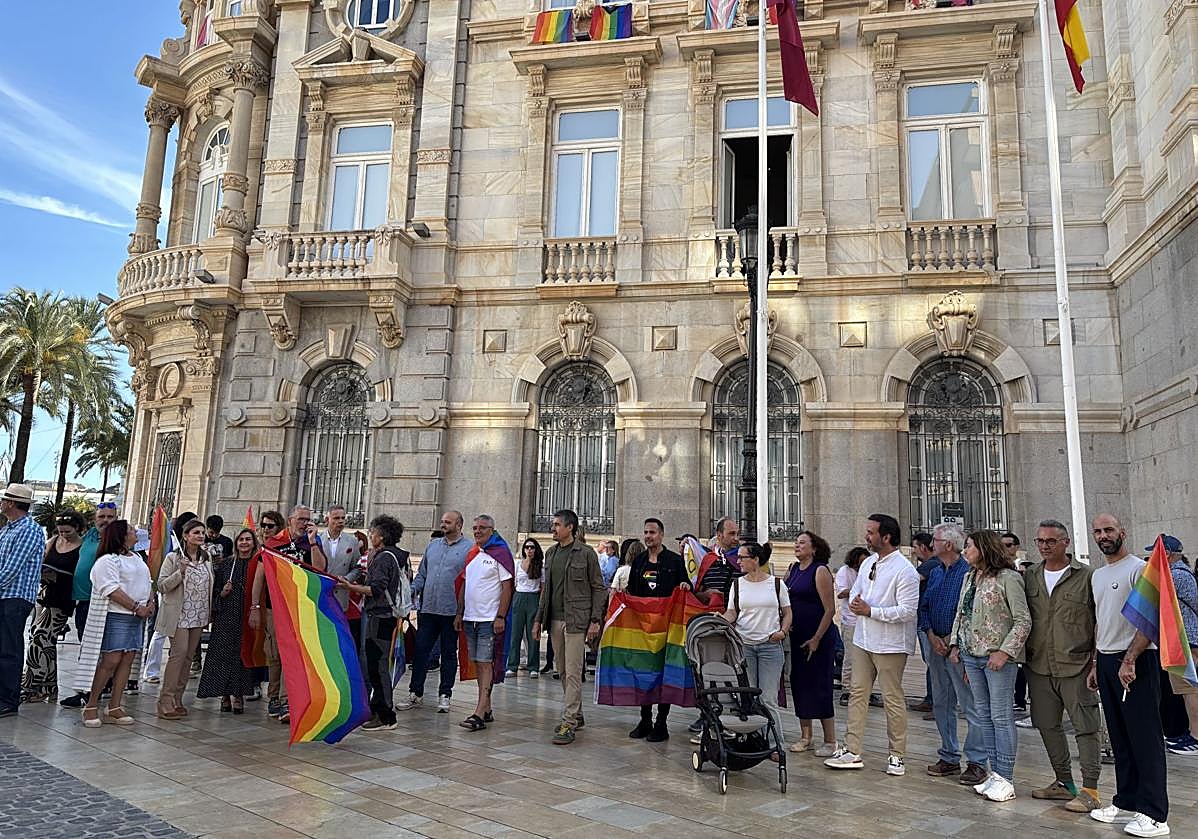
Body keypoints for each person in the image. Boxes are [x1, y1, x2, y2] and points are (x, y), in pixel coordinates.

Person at [1087, 513, 1170, 837]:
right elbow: (1100, 621)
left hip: (1135, 663)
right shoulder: (1098, 575)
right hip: (1107, 662)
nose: (1103, 536)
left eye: (1109, 530)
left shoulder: (1139, 569)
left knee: (1145, 738)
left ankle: (1155, 814)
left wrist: (1130, 659)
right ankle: (1127, 800)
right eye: (1098, 531)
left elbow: (1149, 619)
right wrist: (1096, 662)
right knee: (1121, 737)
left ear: (1123, 532)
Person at [825, 513, 919, 776]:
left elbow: (908, 610)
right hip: (863, 639)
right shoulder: (868, 564)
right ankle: (852, 749)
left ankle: (897, 755)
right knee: (857, 693)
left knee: (892, 698)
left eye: (871, 532)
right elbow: (857, 592)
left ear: (886, 537)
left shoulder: (905, 570)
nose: (866, 536)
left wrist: (871, 611)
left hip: (890, 644)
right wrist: (857, 604)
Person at [1022, 519, 1102, 812]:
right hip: (1039, 666)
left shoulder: (1087, 576)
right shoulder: (1030, 576)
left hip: (1076, 665)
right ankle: (1063, 782)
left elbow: (1099, 623)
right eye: (1040, 541)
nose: (1044, 546)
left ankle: (1090, 789)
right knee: (1046, 725)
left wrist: (1095, 662)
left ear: (1066, 543)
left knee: (1086, 727)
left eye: (1051, 541)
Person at [948, 529, 1031, 803]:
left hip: (997, 658)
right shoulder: (969, 577)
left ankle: (1006, 776)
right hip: (972, 655)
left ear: (983, 548)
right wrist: (955, 644)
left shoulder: (1009, 578)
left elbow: (1023, 620)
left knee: (1001, 716)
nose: (964, 551)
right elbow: (962, 612)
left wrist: (1005, 652)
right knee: (983, 715)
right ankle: (995, 774)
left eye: (969, 546)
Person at [919, 523, 987, 785]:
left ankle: (977, 761)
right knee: (941, 702)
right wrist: (931, 635)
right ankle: (948, 754)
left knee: (970, 704)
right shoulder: (936, 573)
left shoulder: (968, 573)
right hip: (935, 645)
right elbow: (923, 607)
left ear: (948, 544)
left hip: (960, 649)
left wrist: (953, 640)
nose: (931, 544)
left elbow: (970, 611)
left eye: (935, 540)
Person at [532, 509, 605, 745]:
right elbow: (546, 592)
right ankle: (577, 712)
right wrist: (537, 620)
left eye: (556, 525)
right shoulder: (551, 553)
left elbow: (598, 588)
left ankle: (569, 721)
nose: (552, 528)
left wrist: (595, 621)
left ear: (569, 527)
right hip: (554, 620)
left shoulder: (586, 554)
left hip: (577, 620)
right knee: (562, 670)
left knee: (574, 671)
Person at [78, 520, 152, 727]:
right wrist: (137, 607)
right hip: (117, 615)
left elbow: (147, 583)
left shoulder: (137, 558)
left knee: (128, 659)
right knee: (111, 660)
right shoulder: (107, 560)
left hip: (135, 617)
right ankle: (91, 706)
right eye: (130, 530)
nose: (135, 532)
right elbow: (111, 589)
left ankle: (115, 706)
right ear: (121, 535)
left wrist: (150, 602)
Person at [340, 514, 408, 732]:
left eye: (373, 532)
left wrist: (350, 588)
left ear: (382, 536)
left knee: (377, 667)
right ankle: (378, 709)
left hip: (380, 616)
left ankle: (386, 715)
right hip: (384, 616)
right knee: (376, 665)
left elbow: (376, 589)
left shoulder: (384, 558)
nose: (370, 536)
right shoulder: (389, 556)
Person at [398, 510, 471, 713]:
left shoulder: (469, 549)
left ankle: (445, 694)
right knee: (421, 652)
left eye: (448, 522)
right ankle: (415, 693)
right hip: (428, 609)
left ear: (459, 525)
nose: (443, 525)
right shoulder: (433, 546)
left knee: (448, 653)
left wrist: (461, 611)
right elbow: (422, 575)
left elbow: (468, 582)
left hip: (451, 611)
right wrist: (409, 592)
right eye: (442, 522)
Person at [723, 540, 791, 757]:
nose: (738, 561)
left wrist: (782, 631)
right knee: (750, 696)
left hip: (770, 646)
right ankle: (757, 740)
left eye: (742, 557)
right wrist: (721, 620)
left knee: (768, 698)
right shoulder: (737, 585)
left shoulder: (777, 584)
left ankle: (776, 743)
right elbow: (733, 612)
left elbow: (787, 612)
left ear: (755, 560)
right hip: (745, 646)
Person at [625, 517, 690, 742]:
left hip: (667, 631)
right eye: (645, 532)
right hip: (643, 631)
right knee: (644, 674)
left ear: (661, 535)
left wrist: (684, 586)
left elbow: (686, 586)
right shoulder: (639, 561)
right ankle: (645, 720)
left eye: (652, 532)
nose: (648, 536)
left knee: (664, 674)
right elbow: (631, 592)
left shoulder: (674, 561)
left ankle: (661, 723)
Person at [455, 515, 514, 731]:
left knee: (485, 662)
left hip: (489, 619)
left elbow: (507, 587)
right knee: (478, 662)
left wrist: (501, 616)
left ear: (492, 529)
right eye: (475, 528)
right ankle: (486, 707)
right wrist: (459, 612)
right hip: (471, 618)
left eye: (482, 528)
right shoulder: (473, 554)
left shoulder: (500, 554)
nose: (477, 531)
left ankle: (479, 711)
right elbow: (464, 583)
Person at [21, 510, 84, 703]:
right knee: (43, 640)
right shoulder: (53, 542)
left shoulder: (82, 547)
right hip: (44, 595)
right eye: (61, 531)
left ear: (77, 528)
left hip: (62, 600)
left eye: (68, 532)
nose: (64, 535)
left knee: (40, 637)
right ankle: (49, 686)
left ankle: (32, 685)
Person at [687, 516, 742, 737]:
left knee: (732, 671)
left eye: (737, 533)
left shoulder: (742, 560)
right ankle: (707, 715)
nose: (736, 538)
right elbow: (697, 590)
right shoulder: (708, 561)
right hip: (708, 627)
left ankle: (732, 714)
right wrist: (706, 594)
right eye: (731, 534)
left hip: (733, 625)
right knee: (706, 671)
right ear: (719, 535)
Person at [61, 501, 118, 708]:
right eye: (101, 517)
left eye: (110, 517)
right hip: (83, 601)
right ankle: (97, 686)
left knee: (94, 649)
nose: (105, 521)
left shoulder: (117, 540)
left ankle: (89, 691)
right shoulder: (91, 536)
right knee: (87, 646)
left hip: (102, 602)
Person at [786, 530, 838, 756]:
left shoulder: (820, 571)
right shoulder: (793, 570)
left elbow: (830, 609)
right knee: (799, 684)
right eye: (796, 543)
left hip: (818, 637)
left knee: (820, 686)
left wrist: (817, 638)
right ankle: (805, 736)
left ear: (814, 548)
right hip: (797, 637)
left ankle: (830, 740)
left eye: (802, 543)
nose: (797, 546)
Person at [155, 518, 213, 720]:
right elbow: (161, 586)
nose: (200, 536)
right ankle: (165, 699)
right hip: (178, 615)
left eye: (202, 532)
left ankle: (178, 698)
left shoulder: (206, 558)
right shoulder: (173, 558)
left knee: (188, 657)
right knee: (178, 654)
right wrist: (179, 572)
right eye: (196, 532)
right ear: (186, 536)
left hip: (198, 614)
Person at [197, 527, 258, 713]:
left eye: (248, 539)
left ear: (253, 543)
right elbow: (213, 592)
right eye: (241, 540)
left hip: (246, 616)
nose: (244, 543)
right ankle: (224, 695)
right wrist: (222, 593)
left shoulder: (257, 565)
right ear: (236, 543)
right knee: (222, 656)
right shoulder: (226, 565)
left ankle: (238, 694)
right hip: (226, 617)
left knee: (241, 655)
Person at [0, 484, 46, 717]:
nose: (1, 503)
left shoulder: (29, 529)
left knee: (9, 649)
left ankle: (8, 699)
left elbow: (11, 569)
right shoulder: (8, 529)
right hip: (5, 596)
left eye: (4, 499)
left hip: (15, 597)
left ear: (11, 503)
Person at [248, 510, 288, 719]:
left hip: (285, 608)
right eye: (262, 525)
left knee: (282, 655)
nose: (265, 529)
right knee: (272, 653)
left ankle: (282, 699)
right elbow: (257, 580)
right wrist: (254, 607)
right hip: (268, 608)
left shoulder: (284, 548)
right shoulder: (262, 549)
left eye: (270, 526)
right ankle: (273, 696)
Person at [1160, 537, 1198, 755]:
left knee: (1189, 689)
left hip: (1185, 639)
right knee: (1186, 688)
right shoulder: (1182, 573)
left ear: (1167, 554)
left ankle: (1195, 737)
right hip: (1186, 638)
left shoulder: (1175, 576)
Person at [318, 505, 369, 648]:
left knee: (340, 638)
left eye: (342, 518)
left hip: (341, 596)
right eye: (336, 518)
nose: (340, 521)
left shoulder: (351, 541)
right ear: (327, 519)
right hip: (321, 594)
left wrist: (348, 579)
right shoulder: (317, 540)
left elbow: (357, 567)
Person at [835, 546, 868, 707]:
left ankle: (863, 689)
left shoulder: (869, 571)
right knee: (850, 657)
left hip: (867, 619)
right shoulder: (844, 571)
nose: (862, 565)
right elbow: (841, 593)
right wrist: (857, 590)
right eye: (860, 562)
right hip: (851, 620)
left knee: (867, 658)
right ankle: (846, 689)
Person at [909, 531, 937, 714]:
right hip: (927, 620)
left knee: (933, 663)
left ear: (922, 547)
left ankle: (934, 700)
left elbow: (910, 581)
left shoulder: (930, 564)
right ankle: (932, 699)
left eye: (915, 547)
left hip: (926, 621)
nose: (914, 552)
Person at [508, 538, 543, 678]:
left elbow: (543, 587)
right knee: (515, 633)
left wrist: (541, 605)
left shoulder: (540, 565)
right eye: (527, 547)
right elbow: (513, 582)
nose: (529, 550)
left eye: (532, 547)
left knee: (532, 634)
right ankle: (512, 665)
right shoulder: (517, 563)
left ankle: (533, 666)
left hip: (533, 598)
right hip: (519, 596)